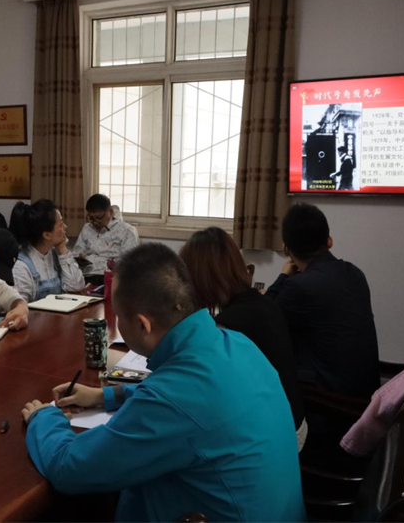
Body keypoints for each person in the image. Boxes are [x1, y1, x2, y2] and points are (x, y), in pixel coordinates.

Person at [21, 244, 305, 523]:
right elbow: (196, 403)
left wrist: (44, 417)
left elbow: (70, 468)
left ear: (143, 325)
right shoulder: (237, 343)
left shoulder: (171, 397)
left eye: (118, 316)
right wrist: (105, 396)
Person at [179, 227, 307, 451]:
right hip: (294, 420)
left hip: (278, 437)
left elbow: (199, 391)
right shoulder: (262, 303)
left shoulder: (228, 326)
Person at [266, 203, 379, 398]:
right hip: (365, 393)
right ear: (329, 241)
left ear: (286, 249)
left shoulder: (299, 287)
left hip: (330, 402)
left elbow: (263, 320)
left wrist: (283, 276)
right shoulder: (354, 273)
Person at [9, 200, 85, 302]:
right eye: (61, 224)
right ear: (47, 235)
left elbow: (76, 286)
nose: (65, 227)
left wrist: (62, 250)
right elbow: (19, 307)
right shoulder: (21, 266)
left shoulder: (54, 254)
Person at [72, 194, 139, 285]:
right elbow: (76, 253)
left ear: (110, 212)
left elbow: (129, 263)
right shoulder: (87, 228)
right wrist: (80, 258)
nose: (95, 222)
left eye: (99, 218)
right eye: (91, 218)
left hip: (112, 277)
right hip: (86, 275)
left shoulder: (127, 231)